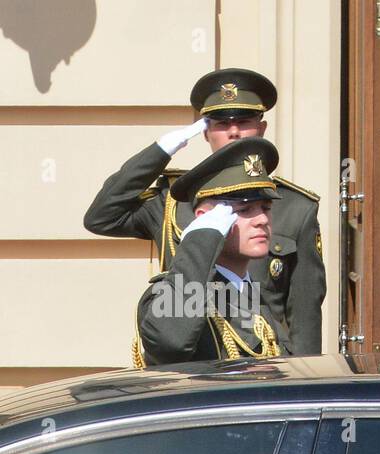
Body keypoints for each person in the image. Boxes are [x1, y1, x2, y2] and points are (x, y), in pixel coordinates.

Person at [85, 67, 325, 356]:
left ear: (261, 128)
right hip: (196, 348)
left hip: (265, 354)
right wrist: (161, 150)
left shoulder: (296, 206)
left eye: (244, 121)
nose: (234, 131)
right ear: (206, 131)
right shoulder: (174, 199)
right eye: (221, 123)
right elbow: (101, 217)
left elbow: (304, 316)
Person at [133, 137, 292, 365]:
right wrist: (201, 240)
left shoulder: (254, 294)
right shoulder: (175, 292)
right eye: (245, 209)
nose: (262, 219)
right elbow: (171, 343)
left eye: (266, 208)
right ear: (206, 221)